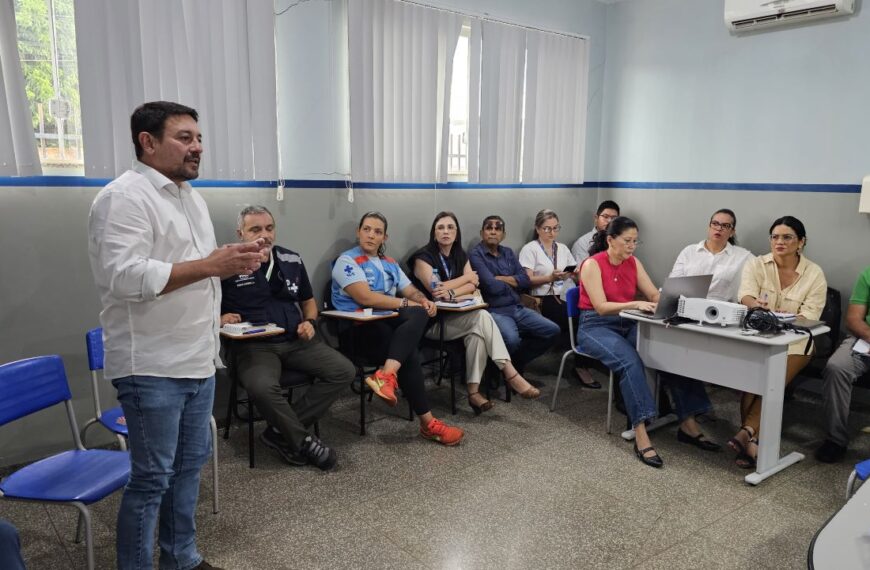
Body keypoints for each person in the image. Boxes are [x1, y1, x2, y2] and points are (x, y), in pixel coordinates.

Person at [88, 101, 265, 570]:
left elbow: (194, 268)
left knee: (188, 470)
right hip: (151, 364)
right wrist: (212, 264)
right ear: (147, 142)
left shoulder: (190, 198)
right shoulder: (122, 198)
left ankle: (181, 557)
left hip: (197, 357)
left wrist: (231, 257)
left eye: (199, 138)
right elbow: (124, 276)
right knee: (151, 479)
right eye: (184, 138)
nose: (197, 147)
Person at [220, 205, 355, 470]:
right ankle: (302, 441)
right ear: (241, 233)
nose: (265, 235)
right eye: (255, 229)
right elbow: (202, 306)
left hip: (295, 340)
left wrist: (310, 322)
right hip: (254, 347)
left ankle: (279, 432)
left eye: (269, 228)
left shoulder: (291, 259)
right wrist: (220, 318)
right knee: (262, 387)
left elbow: (308, 301)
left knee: (344, 371)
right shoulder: (227, 264)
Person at [577, 216, 716, 468]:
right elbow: (600, 307)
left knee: (668, 351)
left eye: (635, 241)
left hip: (627, 321)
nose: (632, 246)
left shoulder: (633, 263)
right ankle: (640, 432)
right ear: (610, 240)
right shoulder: (592, 265)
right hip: (595, 326)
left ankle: (688, 421)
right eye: (627, 241)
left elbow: (652, 293)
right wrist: (635, 303)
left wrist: (667, 300)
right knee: (630, 361)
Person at [332, 212, 464, 445]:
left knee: (417, 320)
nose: (371, 235)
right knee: (407, 349)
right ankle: (428, 424)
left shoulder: (390, 263)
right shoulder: (347, 261)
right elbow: (365, 298)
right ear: (358, 232)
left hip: (385, 327)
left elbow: (410, 290)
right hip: (358, 330)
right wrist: (406, 303)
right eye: (367, 229)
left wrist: (421, 300)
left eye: (377, 232)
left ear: (385, 237)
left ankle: (387, 374)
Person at [409, 212, 540, 413]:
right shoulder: (423, 258)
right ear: (433, 233)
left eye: (450, 227)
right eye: (440, 228)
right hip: (432, 323)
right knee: (482, 317)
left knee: (477, 334)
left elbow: (474, 285)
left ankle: (473, 393)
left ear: (456, 232)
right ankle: (510, 374)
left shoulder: (459, 254)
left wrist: (454, 289)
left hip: (459, 319)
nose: (446, 232)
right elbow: (436, 290)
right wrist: (466, 278)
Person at [731, 215, 827, 468]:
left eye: (787, 237)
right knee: (751, 381)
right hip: (760, 337)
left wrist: (777, 318)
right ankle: (753, 443)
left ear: (801, 242)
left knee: (772, 379)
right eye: (775, 237)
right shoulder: (757, 264)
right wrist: (755, 305)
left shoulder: (814, 273)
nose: (779, 242)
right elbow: (746, 295)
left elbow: (810, 316)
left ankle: (746, 431)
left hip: (797, 342)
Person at [468, 215, 560, 378]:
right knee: (512, 340)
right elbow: (491, 286)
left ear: (504, 234)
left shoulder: (508, 253)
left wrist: (501, 278)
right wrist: (512, 281)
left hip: (516, 307)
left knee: (552, 330)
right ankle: (506, 370)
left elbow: (525, 280)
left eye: (498, 229)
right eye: (489, 228)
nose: (493, 232)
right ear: (482, 232)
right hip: (494, 311)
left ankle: (514, 364)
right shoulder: (476, 255)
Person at [519, 209, 599, 389]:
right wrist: (550, 278)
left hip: (562, 294)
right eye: (547, 229)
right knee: (578, 319)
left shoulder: (562, 248)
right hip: (542, 297)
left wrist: (575, 274)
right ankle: (580, 366)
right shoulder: (530, 249)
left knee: (589, 316)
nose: (552, 233)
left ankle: (583, 362)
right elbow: (527, 279)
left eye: (555, 228)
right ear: (537, 229)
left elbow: (575, 274)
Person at [814, 266, 870, 463]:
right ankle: (835, 440)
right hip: (865, 339)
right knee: (837, 366)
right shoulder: (867, 274)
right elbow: (854, 320)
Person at [670, 208, 753, 302]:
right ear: (709, 227)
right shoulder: (689, 251)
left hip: (722, 312)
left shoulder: (742, 256)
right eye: (715, 224)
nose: (719, 228)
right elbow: (673, 285)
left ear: (732, 232)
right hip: (686, 307)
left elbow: (761, 268)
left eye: (725, 226)